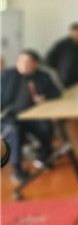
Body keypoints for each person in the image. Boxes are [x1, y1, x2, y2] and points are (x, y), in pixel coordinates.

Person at [1, 50, 61, 182]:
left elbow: (57, 93)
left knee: (45, 127)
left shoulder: (43, 76)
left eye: (27, 61)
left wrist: (45, 98)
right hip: (10, 118)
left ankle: (43, 157)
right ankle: (17, 168)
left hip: (33, 116)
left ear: (36, 64)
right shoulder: (7, 76)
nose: (23, 64)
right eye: (20, 60)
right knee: (14, 131)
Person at [46, 22, 78, 88]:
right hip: (67, 77)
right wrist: (58, 69)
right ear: (71, 33)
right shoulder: (62, 43)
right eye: (76, 33)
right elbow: (48, 59)